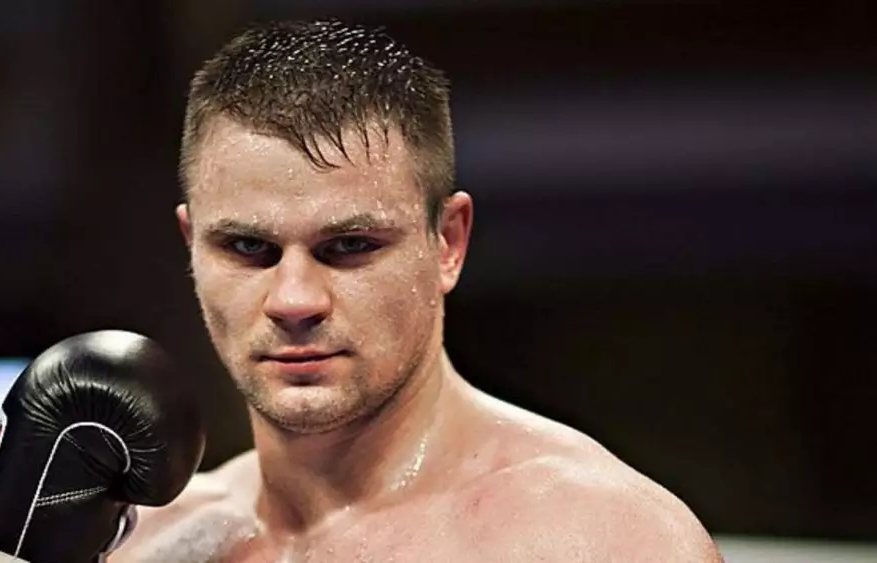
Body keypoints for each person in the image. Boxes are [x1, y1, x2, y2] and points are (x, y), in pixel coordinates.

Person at [112, 19, 724, 562]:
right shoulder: (144, 543)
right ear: (191, 244)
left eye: (349, 245)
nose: (293, 300)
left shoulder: (602, 541)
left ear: (448, 243)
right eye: (248, 247)